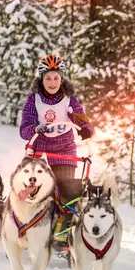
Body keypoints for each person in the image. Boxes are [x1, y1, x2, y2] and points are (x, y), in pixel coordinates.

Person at [19, 54, 94, 185]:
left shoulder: (69, 99)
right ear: (42, 80)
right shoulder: (34, 99)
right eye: (48, 78)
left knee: (67, 191)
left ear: (61, 79)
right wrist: (34, 130)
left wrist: (85, 129)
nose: (52, 83)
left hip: (64, 149)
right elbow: (24, 129)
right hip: (38, 149)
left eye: (56, 78)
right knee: (35, 188)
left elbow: (80, 117)